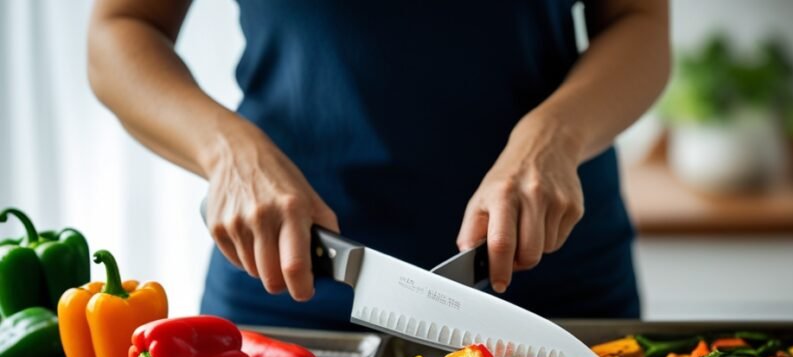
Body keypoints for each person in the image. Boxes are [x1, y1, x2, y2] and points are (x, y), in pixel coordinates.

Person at [88, 1, 670, 329]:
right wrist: (227, 152)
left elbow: (638, 21)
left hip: (550, 288)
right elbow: (120, 31)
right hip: (292, 293)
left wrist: (555, 137)